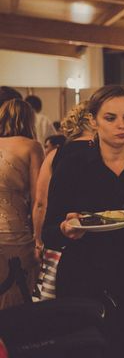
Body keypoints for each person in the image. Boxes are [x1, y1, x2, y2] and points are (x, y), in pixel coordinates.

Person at [42, 85, 124, 357]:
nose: (121, 125)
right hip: (83, 279)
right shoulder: (72, 165)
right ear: (93, 121)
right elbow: (49, 233)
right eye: (110, 118)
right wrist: (66, 229)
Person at [33, 101, 95, 254]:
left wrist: (39, 241)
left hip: (63, 234)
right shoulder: (106, 154)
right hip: (100, 236)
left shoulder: (55, 155)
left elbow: (41, 203)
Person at [0, 99, 44, 309]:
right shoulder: (32, 147)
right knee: (17, 300)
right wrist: (39, 241)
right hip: (15, 235)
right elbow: (39, 201)